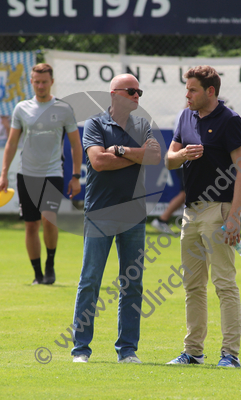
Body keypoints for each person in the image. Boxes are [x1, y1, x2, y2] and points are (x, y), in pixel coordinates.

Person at [71, 73, 161, 364]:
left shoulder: (143, 124)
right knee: (90, 281)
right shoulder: (96, 124)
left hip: (134, 214)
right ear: (114, 94)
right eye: (131, 91)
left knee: (132, 284)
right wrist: (137, 155)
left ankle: (127, 350)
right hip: (101, 213)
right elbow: (98, 161)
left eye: (139, 92)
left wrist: (121, 151)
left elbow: (154, 158)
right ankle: (81, 350)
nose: (137, 96)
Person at [165, 65, 241, 368]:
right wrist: (182, 154)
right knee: (193, 285)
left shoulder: (230, 121)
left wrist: (235, 217)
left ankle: (230, 355)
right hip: (191, 212)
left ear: (210, 91)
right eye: (186, 89)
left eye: (192, 89)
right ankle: (193, 352)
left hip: (220, 210)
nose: (186, 94)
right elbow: (169, 160)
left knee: (224, 284)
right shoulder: (185, 116)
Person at [0, 63, 82, 285]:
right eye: (37, 81)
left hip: (53, 173)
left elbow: (75, 144)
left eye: (44, 81)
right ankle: (37, 274)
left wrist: (75, 176)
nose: (41, 85)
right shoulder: (21, 108)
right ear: (31, 82)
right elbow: (12, 143)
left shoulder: (63, 109)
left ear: (52, 82)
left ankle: (50, 265)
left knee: (49, 218)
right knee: (31, 224)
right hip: (26, 175)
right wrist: (3, 173)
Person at [151, 107, 186, 234]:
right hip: (184, 161)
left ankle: (163, 220)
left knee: (187, 194)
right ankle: (162, 219)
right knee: (186, 193)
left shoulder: (185, 114)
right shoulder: (185, 114)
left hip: (183, 160)